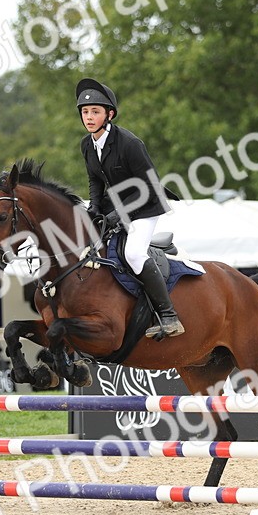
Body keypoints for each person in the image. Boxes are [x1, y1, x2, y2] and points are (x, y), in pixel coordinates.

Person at [77, 77, 183, 338]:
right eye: (85, 112)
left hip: (146, 205)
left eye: (95, 112)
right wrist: (94, 208)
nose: (89, 117)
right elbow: (95, 180)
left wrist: (119, 215)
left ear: (109, 114)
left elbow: (148, 187)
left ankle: (169, 316)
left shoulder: (130, 143)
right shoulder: (87, 145)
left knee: (134, 253)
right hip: (117, 205)